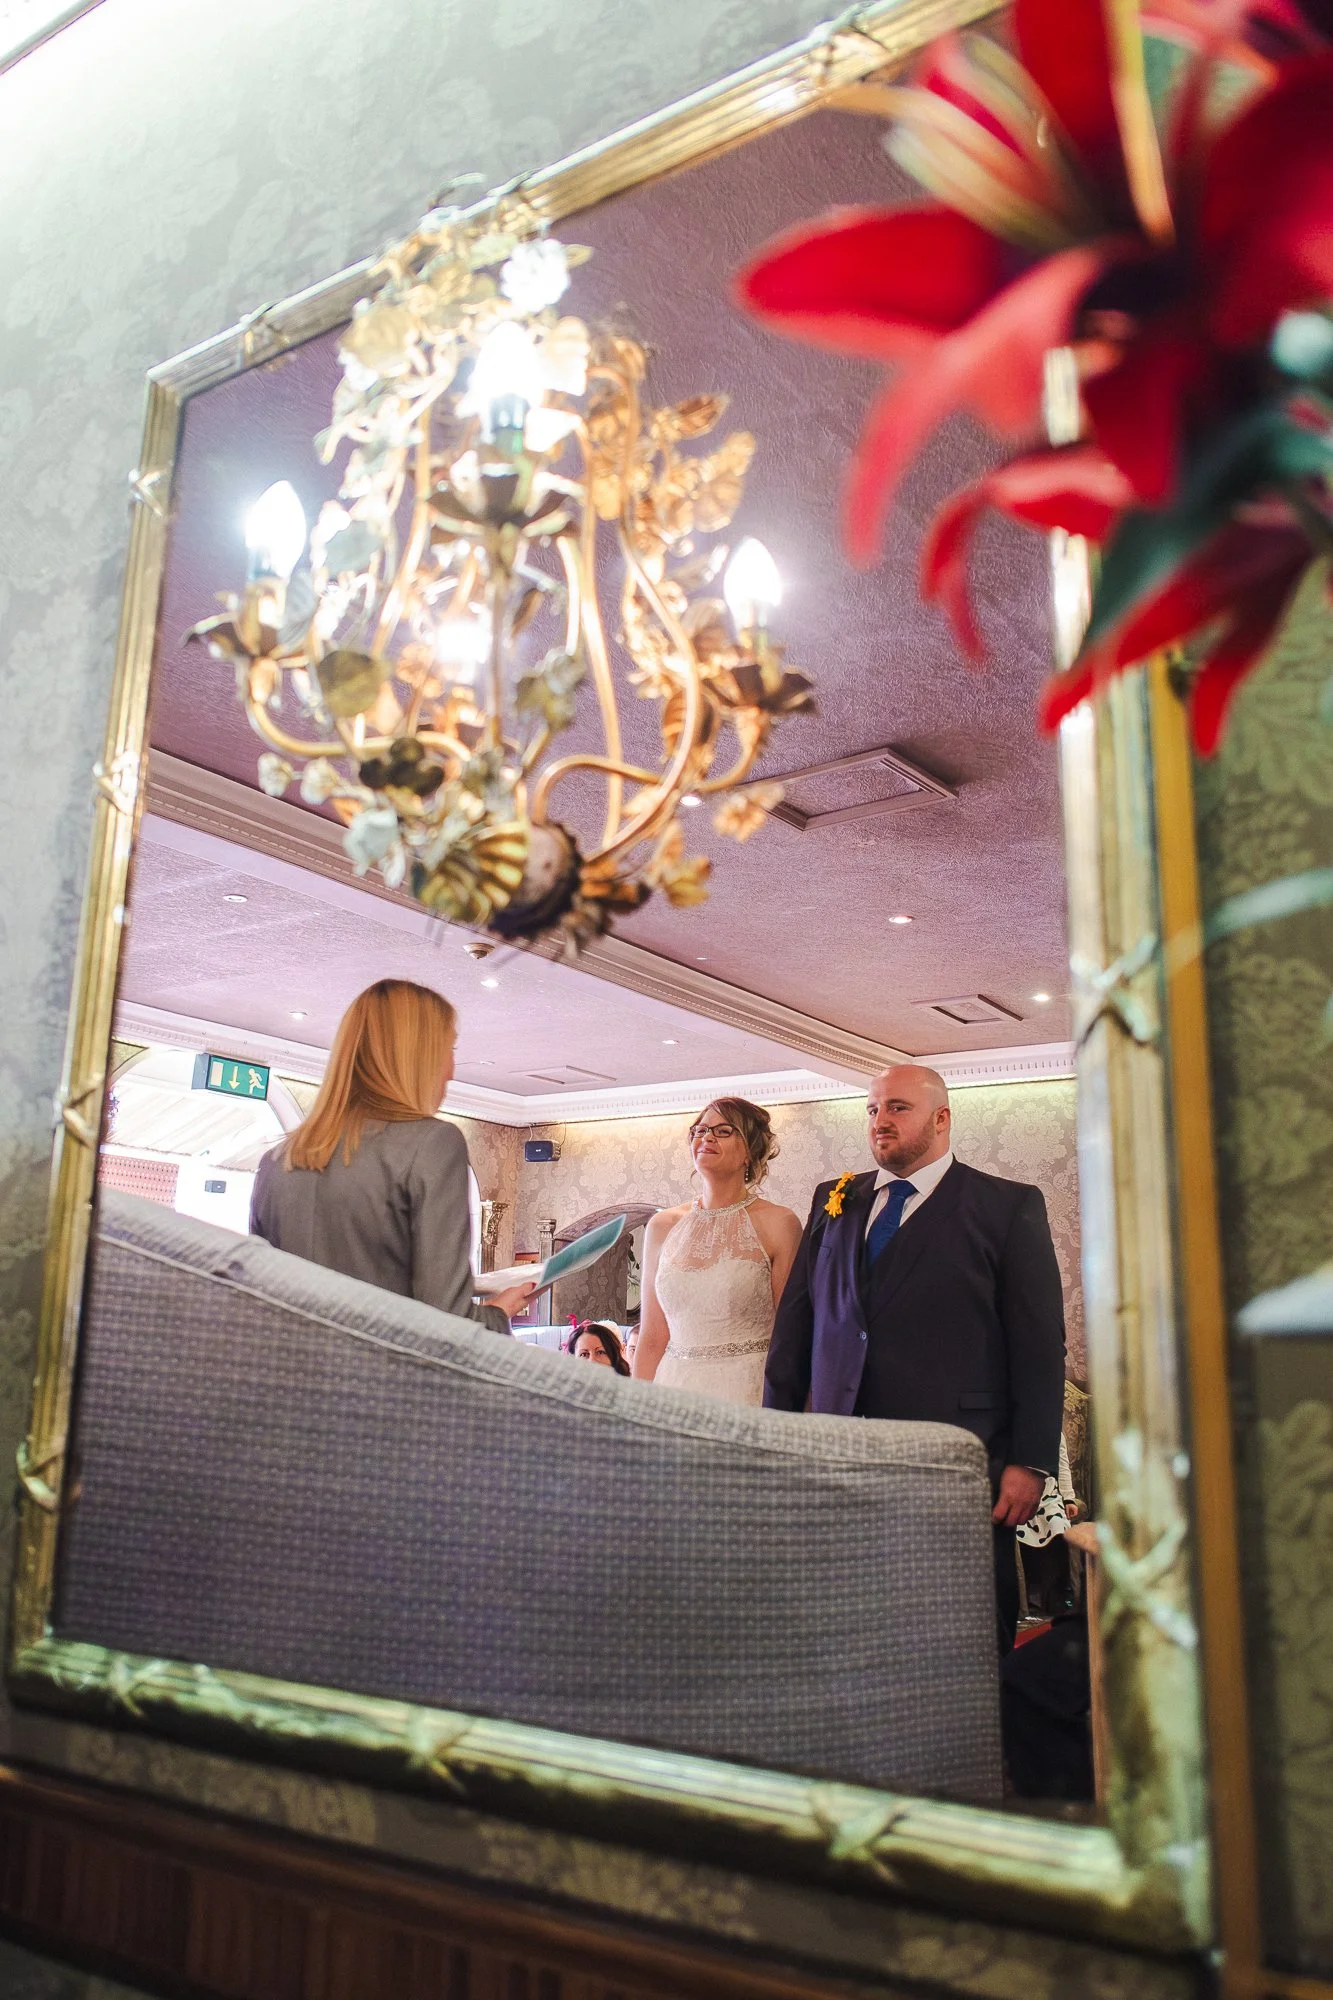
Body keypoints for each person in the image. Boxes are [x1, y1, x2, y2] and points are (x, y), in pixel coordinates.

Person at [763, 1064, 1066, 1644]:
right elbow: (796, 1330)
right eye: (874, 1109)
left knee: (960, 1632)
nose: (881, 1120)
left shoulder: (1006, 1207)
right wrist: (779, 1441)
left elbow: (1037, 1345)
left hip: (956, 1456)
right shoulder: (835, 1200)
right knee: (846, 1624)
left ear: (942, 1118)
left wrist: (1030, 1463)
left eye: (898, 1107)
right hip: (840, 1456)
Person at [250, 979, 534, 1331]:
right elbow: (445, 1325)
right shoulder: (432, 1143)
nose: (451, 1069)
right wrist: (497, 1312)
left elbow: (259, 1303)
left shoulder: (277, 1161)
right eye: (448, 1049)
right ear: (418, 1056)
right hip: (385, 1379)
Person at [634, 1098, 803, 1404]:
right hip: (673, 1389)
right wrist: (634, 1410)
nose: (707, 1137)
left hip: (746, 1390)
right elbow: (652, 1336)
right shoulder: (662, 1225)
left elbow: (790, 1336)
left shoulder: (780, 1223)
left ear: (750, 1151)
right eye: (700, 1130)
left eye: (724, 1131)